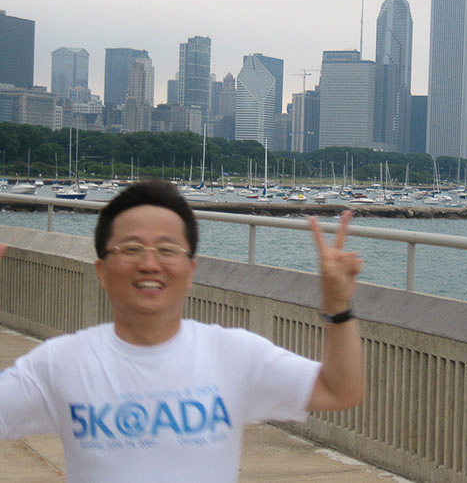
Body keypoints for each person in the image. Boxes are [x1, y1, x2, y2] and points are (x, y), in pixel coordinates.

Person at [0, 180, 364, 482]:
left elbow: (339, 390)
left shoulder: (233, 354)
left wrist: (338, 306)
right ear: (102, 271)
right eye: (131, 248)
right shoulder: (61, 363)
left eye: (167, 249)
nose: (149, 263)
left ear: (191, 271)